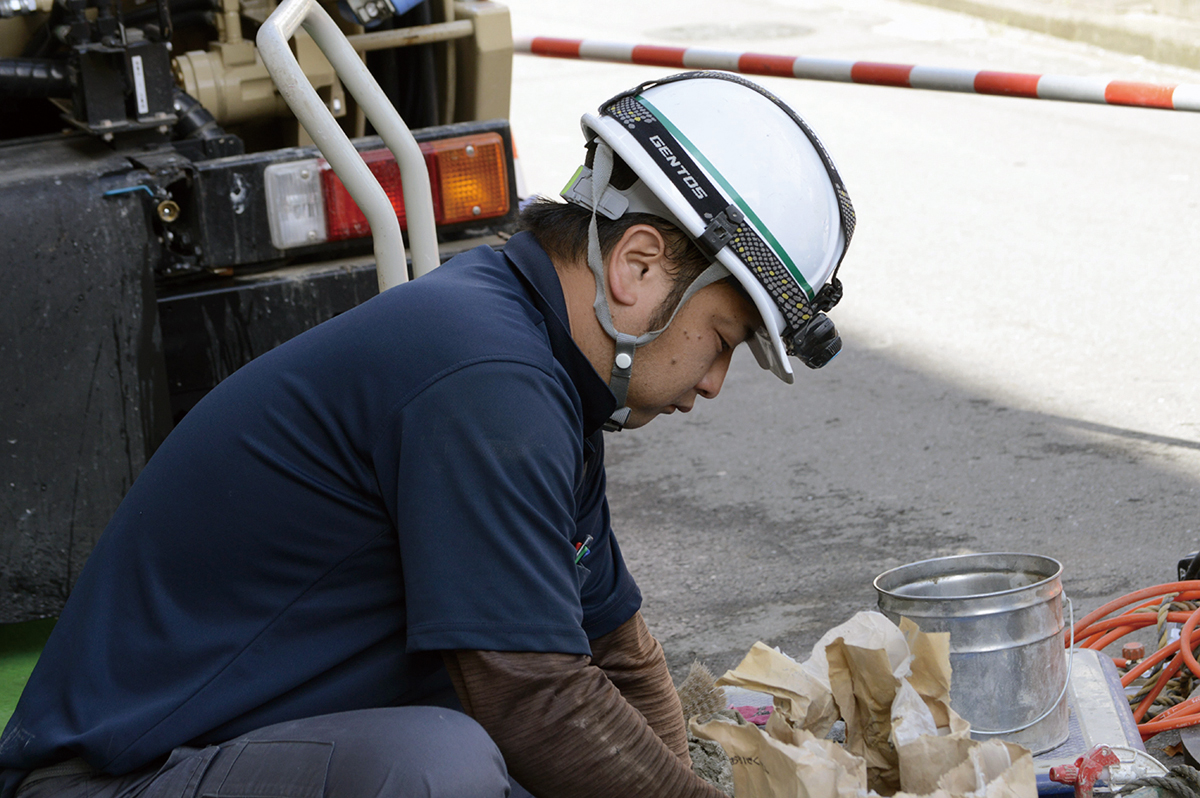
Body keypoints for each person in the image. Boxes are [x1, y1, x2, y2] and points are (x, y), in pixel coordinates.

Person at [0, 70, 855, 798]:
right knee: (443, 769)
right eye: (722, 339)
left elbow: (617, 654)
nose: (712, 382)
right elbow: (535, 698)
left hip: (242, 753)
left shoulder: (543, 365)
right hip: (116, 779)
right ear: (637, 266)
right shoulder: (486, 375)